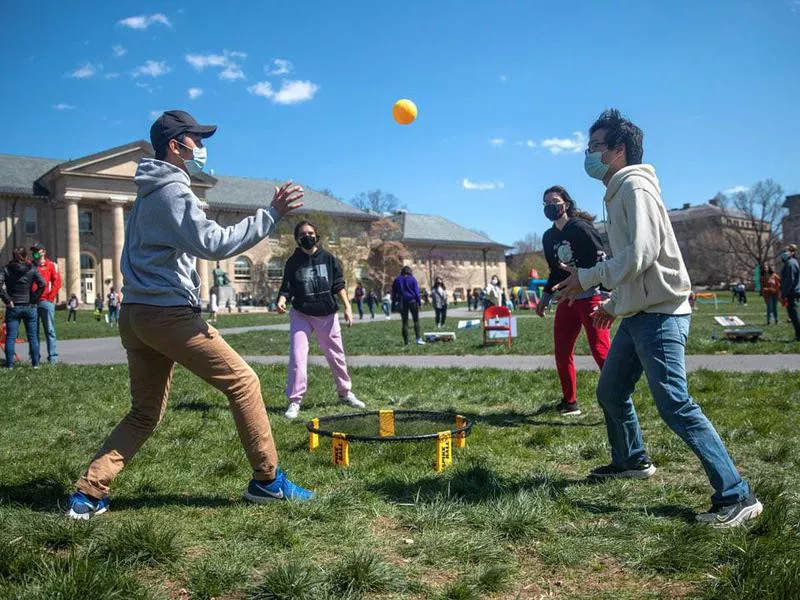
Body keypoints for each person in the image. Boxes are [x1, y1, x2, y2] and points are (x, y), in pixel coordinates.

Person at [66, 109, 313, 520]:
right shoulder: (172, 191)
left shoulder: (148, 191)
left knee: (145, 412)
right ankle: (267, 481)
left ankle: (89, 493)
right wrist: (270, 215)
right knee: (244, 382)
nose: (201, 147)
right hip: (167, 315)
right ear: (176, 146)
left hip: (136, 315)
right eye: (196, 140)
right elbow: (212, 243)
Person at [554, 108, 761, 527]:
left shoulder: (635, 186)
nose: (588, 154)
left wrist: (590, 278)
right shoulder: (616, 192)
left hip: (662, 315)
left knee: (675, 405)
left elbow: (641, 255)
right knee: (611, 392)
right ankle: (632, 460)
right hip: (639, 314)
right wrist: (614, 305)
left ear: (618, 150)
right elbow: (635, 264)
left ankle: (737, 495)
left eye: (595, 147)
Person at [277, 221, 364, 420]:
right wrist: (281, 300)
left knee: (336, 355)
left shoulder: (328, 258)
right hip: (302, 313)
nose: (307, 236)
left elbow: (338, 284)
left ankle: (345, 392)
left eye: (311, 233)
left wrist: (348, 307)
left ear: (317, 235)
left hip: (327, 314)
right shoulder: (293, 262)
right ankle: (295, 400)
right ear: (297, 239)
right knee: (298, 356)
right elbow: (287, 286)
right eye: (303, 234)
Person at [536, 185, 610, 417]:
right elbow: (555, 271)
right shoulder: (549, 237)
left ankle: (618, 399)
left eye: (554, 201)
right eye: (546, 203)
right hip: (567, 300)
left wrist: (607, 296)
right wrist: (545, 298)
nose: (550, 206)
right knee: (562, 351)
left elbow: (602, 261)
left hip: (591, 298)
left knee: (600, 350)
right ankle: (570, 402)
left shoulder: (581, 228)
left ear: (566, 204)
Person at [0, 247, 45, 368]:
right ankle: (35, 365)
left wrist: (7, 300)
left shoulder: (5, 269)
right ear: (25, 256)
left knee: (10, 337)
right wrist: (34, 299)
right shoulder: (32, 269)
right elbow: (42, 284)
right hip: (29, 306)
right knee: (33, 337)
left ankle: (9, 366)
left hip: (13, 307)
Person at [30, 243, 61, 364]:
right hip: (32, 303)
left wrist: (50, 297)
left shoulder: (51, 265)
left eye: (37, 250)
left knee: (50, 330)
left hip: (45, 302)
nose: (35, 253)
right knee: (34, 331)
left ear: (43, 252)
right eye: (33, 251)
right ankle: (35, 357)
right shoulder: (30, 265)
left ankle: (52, 357)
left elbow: (57, 282)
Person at [392, 265, 424, 346]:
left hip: (402, 302)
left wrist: (394, 303)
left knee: (405, 322)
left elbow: (394, 293)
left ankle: (406, 342)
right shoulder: (412, 279)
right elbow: (416, 292)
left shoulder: (397, 279)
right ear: (410, 271)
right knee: (416, 320)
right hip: (412, 301)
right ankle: (418, 339)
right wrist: (419, 302)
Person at [779, 248, 800, 341]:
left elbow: (790, 280)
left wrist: (784, 292)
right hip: (794, 291)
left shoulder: (790, 263)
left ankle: (799, 335)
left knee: (794, 314)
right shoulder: (793, 262)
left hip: (792, 292)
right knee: (794, 314)